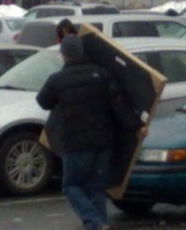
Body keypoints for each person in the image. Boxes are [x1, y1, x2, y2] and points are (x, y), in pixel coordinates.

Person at [36, 35, 146, 230]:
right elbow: (119, 105)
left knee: (71, 186)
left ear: (64, 55)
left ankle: (95, 223)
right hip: (104, 142)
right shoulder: (102, 74)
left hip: (75, 143)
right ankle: (100, 224)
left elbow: (43, 101)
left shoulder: (58, 80)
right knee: (96, 187)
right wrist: (137, 126)